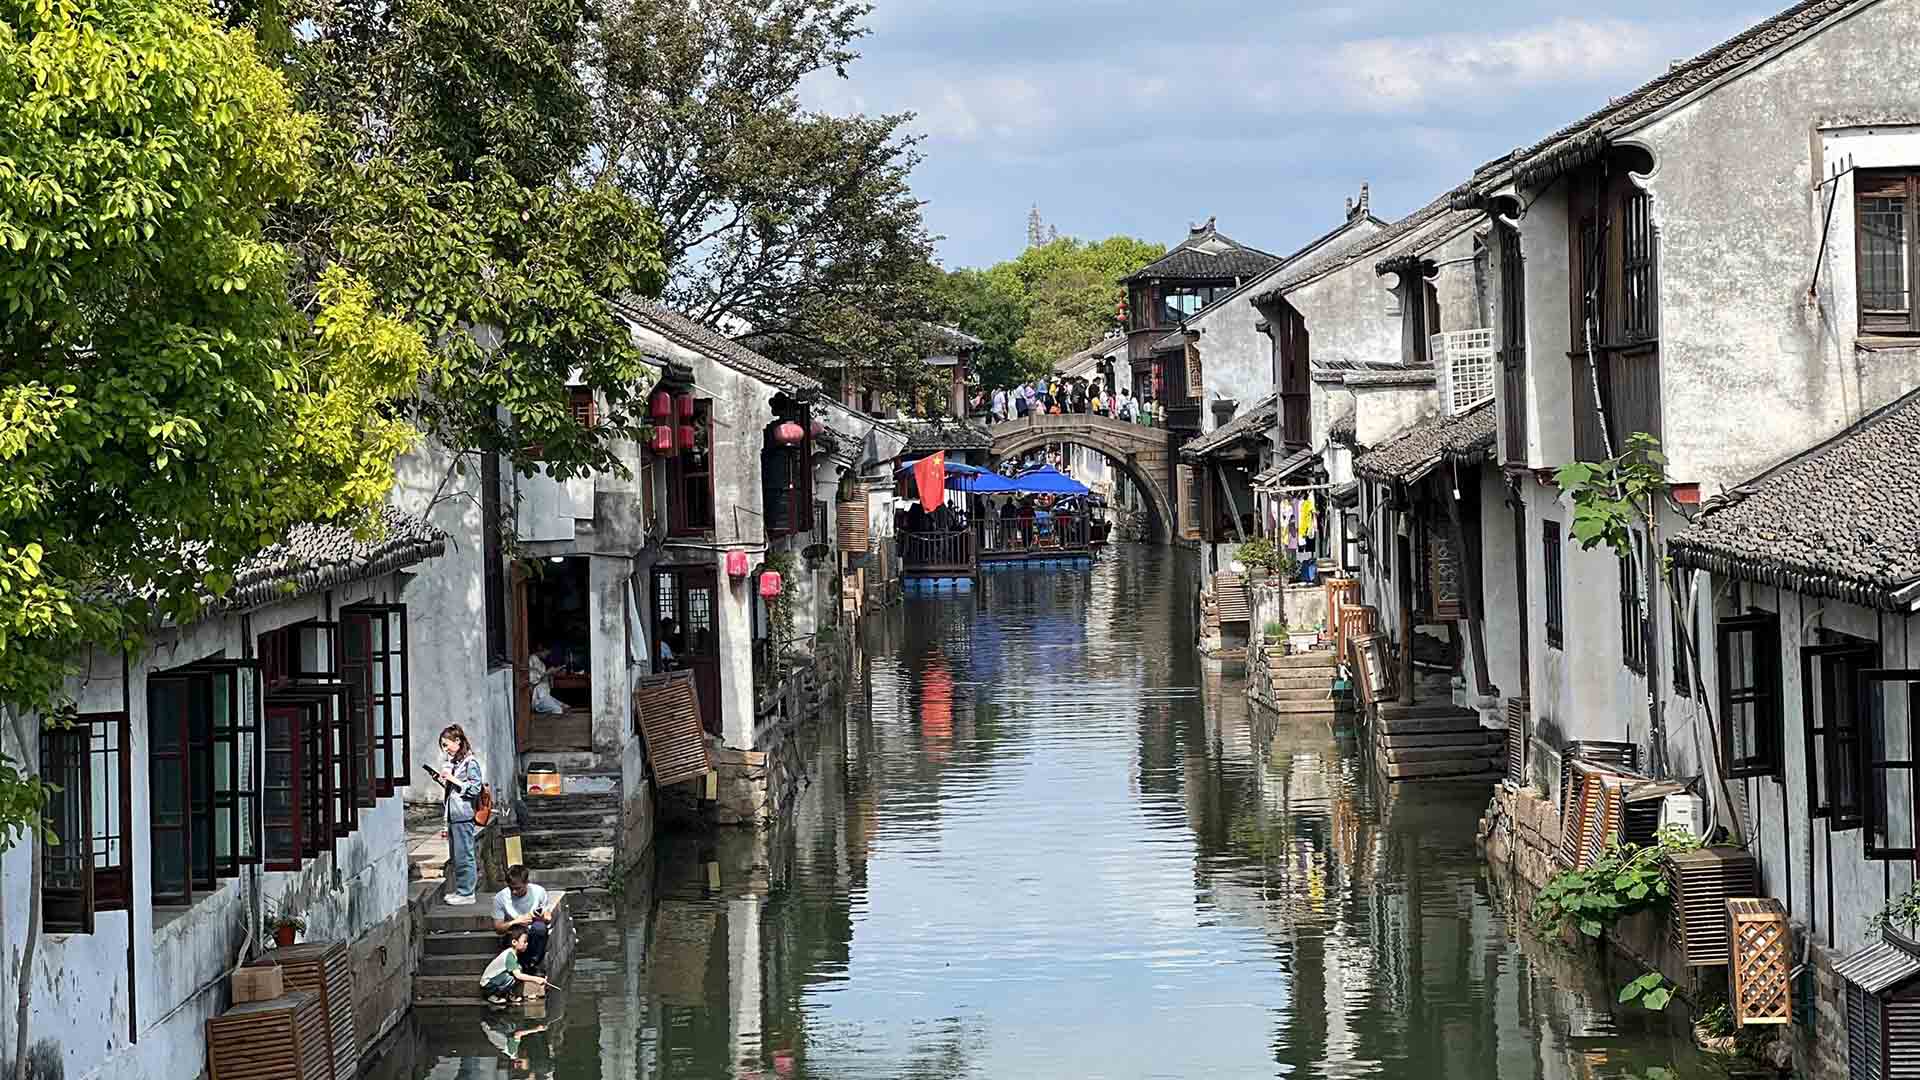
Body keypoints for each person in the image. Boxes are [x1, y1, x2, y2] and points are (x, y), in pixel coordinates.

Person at [429, 725, 484, 905]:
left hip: (463, 816)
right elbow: (456, 789)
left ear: (458, 741)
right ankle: (461, 890)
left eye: (446, 745)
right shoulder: (456, 763)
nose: (445, 750)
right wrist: (443, 780)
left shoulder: (470, 762)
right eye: (442, 746)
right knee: (456, 856)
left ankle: (467, 893)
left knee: (465, 855)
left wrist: (453, 779)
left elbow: (475, 789)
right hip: (453, 815)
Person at [493, 864, 558, 973]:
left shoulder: (539, 892)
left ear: (526, 883)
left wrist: (544, 917)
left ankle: (533, 963)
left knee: (539, 928)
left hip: (534, 928)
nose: (514, 892)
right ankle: (519, 964)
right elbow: (498, 928)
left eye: (518, 888)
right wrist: (515, 922)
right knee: (517, 936)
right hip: (515, 932)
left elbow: (547, 916)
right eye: (511, 888)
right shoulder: (500, 898)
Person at [480, 926, 549, 1004]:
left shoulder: (512, 953)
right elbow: (518, 976)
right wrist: (537, 979)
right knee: (510, 978)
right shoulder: (509, 955)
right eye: (524, 941)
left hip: (495, 980)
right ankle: (492, 995)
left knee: (517, 969)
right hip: (488, 984)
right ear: (514, 942)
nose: (527, 944)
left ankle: (509, 994)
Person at [528, 642, 564, 716]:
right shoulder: (532, 659)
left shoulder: (542, 664)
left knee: (565, 707)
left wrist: (552, 674)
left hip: (545, 695)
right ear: (541, 649)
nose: (547, 655)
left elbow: (549, 684)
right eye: (546, 652)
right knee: (558, 710)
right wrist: (546, 674)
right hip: (538, 697)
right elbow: (532, 682)